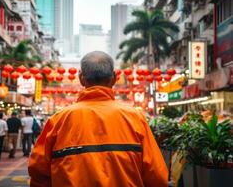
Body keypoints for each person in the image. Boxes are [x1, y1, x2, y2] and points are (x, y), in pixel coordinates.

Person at [28, 51, 168, 187]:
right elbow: (157, 176)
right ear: (114, 78)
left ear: (81, 78)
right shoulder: (135, 118)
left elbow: (38, 173)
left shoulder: (58, 120)